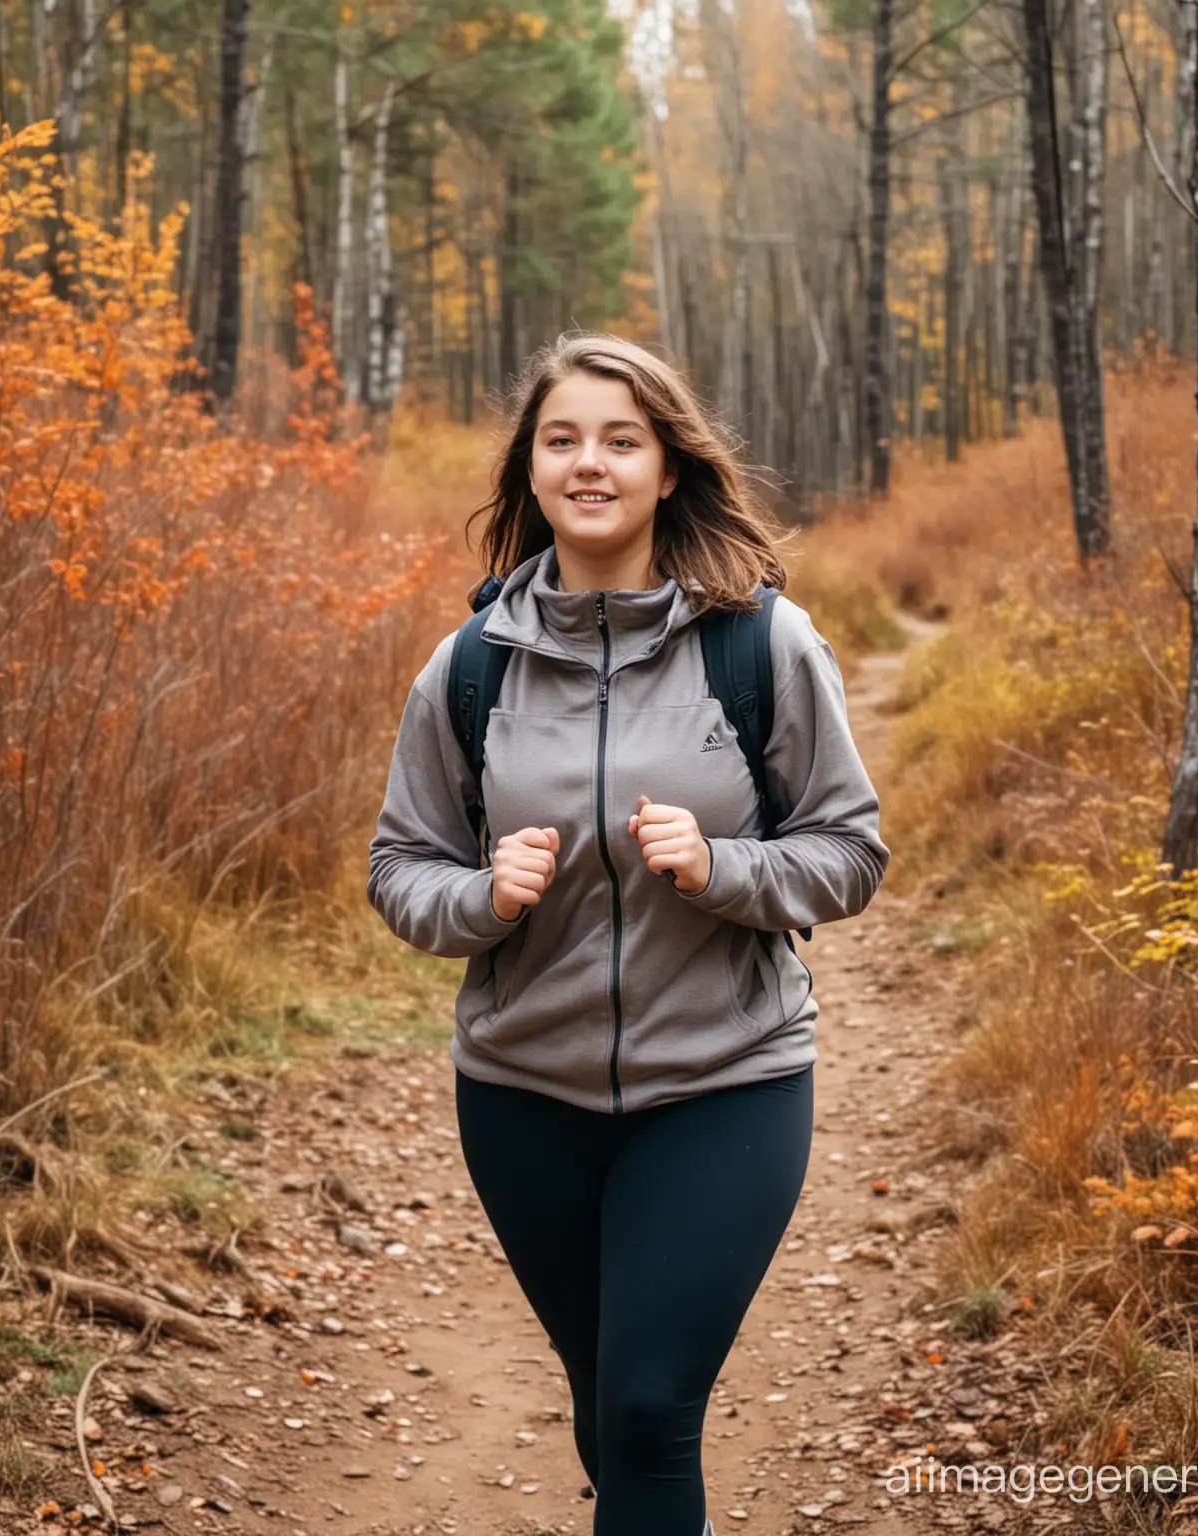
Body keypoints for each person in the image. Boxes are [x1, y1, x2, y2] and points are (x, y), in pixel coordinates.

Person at [367, 333, 889, 1536]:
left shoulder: (758, 645)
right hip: (521, 1093)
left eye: (620, 440)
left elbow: (851, 853)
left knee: (653, 1408)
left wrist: (720, 870)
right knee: (609, 1406)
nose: (588, 463)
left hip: (725, 1084)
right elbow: (400, 869)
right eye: (562, 440)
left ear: (668, 468)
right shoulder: (470, 668)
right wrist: (484, 899)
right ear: (531, 469)